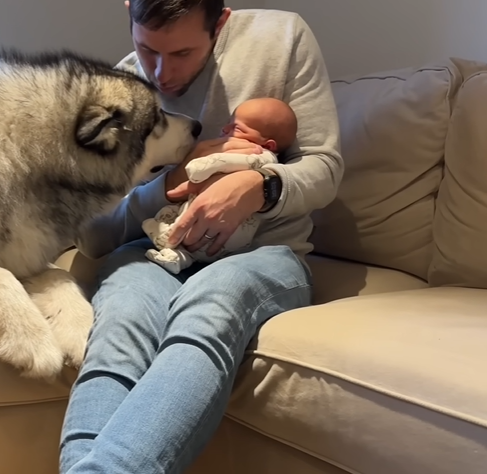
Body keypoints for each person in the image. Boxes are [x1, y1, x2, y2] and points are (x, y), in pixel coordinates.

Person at [59, 1, 343, 473]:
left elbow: (325, 167)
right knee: (122, 318)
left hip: (265, 253)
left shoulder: (281, 38)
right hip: (155, 250)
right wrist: (165, 187)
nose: (161, 73)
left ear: (222, 22)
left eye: (184, 53)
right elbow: (92, 233)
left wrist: (261, 187)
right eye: (147, 49)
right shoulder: (119, 91)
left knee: (214, 300)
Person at [142, 97, 300, 274]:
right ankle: (176, 257)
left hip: (228, 241)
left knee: (191, 231)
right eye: (228, 124)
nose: (225, 129)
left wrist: (198, 166)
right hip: (206, 233)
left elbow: (221, 162)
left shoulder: (259, 155)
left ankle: (169, 236)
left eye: (236, 128)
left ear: (267, 144)